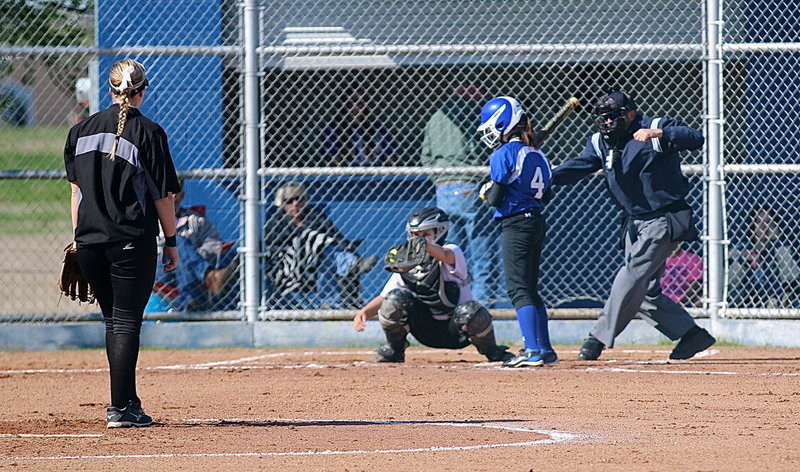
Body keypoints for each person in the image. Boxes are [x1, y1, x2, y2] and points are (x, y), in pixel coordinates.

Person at [551, 88, 715, 361]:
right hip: (633, 221)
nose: (607, 122)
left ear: (630, 114)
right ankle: (691, 334)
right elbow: (579, 166)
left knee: (631, 275)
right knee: (644, 291)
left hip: (663, 219)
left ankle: (597, 338)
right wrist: (546, 176)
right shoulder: (600, 142)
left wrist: (660, 134)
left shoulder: (653, 127)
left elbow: (695, 138)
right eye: (603, 117)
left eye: (613, 116)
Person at [64, 59, 181, 428]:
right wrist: (172, 240)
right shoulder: (150, 132)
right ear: (142, 91)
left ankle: (128, 401)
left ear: (110, 90)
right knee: (127, 322)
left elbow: (76, 193)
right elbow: (163, 196)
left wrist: (78, 240)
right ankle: (120, 408)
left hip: (90, 240)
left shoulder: (80, 131)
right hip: (130, 239)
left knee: (113, 321)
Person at [353, 207, 513, 363]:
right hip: (425, 330)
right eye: (416, 235)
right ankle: (395, 350)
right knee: (394, 300)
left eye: (426, 235)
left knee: (471, 310)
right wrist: (364, 312)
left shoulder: (452, 251)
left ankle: (493, 351)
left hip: (457, 330)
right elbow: (384, 297)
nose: (418, 240)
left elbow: (444, 255)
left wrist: (425, 246)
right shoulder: (408, 263)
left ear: (440, 232)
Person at [475, 96, 557, 367]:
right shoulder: (538, 154)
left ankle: (532, 351)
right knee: (530, 289)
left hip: (515, 224)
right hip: (535, 221)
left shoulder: (503, 154)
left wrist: (487, 192)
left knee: (518, 289)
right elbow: (547, 195)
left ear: (503, 122)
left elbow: (496, 198)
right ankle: (544, 349)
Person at [420, 82, 504, 307]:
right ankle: (480, 309)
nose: (483, 96)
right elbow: (483, 149)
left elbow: (426, 157)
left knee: (451, 253)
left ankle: (454, 305)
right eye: (480, 90)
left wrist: (439, 179)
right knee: (482, 253)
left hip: (443, 188)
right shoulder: (473, 115)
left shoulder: (437, 116)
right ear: (468, 89)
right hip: (470, 185)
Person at [264, 181, 377, 308]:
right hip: (290, 270)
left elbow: (336, 237)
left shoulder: (314, 216)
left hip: (315, 265)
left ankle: (330, 303)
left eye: (299, 199)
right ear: (282, 203)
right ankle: (351, 264)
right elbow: (274, 251)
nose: (295, 204)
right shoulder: (276, 221)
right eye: (289, 201)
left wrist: (349, 250)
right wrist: (304, 238)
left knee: (324, 254)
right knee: (310, 237)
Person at [151, 185, 238, 311]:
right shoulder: (147, 221)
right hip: (160, 270)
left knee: (179, 247)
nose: (173, 196)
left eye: (176, 192)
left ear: (182, 195)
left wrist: (191, 254)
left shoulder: (196, 220)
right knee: (176, 242)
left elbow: (213, 245)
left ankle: (190, 304)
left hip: (189, 271)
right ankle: (210, 277)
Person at [729, 205, 800, 308]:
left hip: (774, 296)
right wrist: (743, 261)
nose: (763, 226)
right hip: (746, 297)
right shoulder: (739, 249)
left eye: (768, 222)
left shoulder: (782, 249)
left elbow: (791, 277)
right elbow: (731, 282)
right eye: (759, 222)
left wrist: (777, 242)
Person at [321, 89, 396, 166]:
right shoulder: (334, 130)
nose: (361, 106)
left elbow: (391, 158)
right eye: (356, 101)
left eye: (364, 101)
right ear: (346, 103)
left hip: (374, 172)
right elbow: (332, 161)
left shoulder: (377, 128)